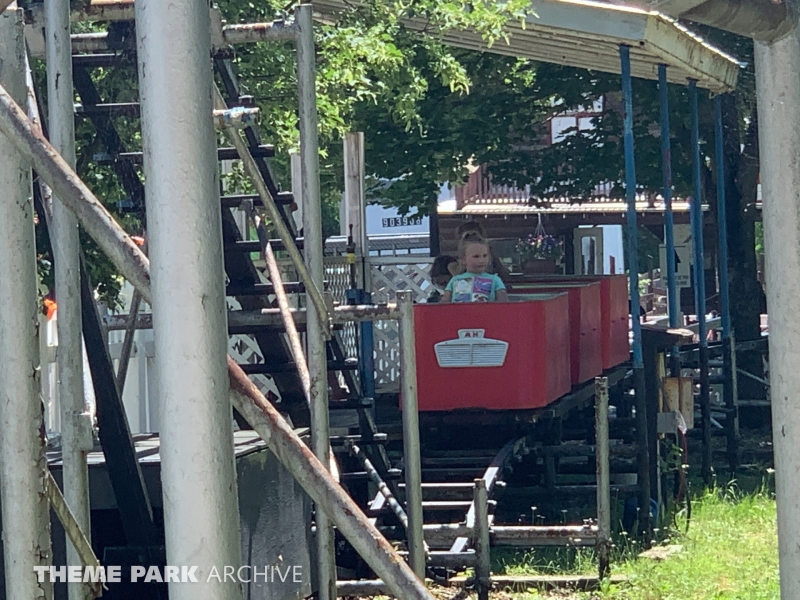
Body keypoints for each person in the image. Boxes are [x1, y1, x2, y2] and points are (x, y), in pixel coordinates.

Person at [442, 234, 508, 303]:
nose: (481, 260)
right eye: (476, 256)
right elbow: (444, 304)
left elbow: (504, 304)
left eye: (485, 256)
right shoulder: (455, 280)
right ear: (463, 259)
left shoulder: (495, 280)